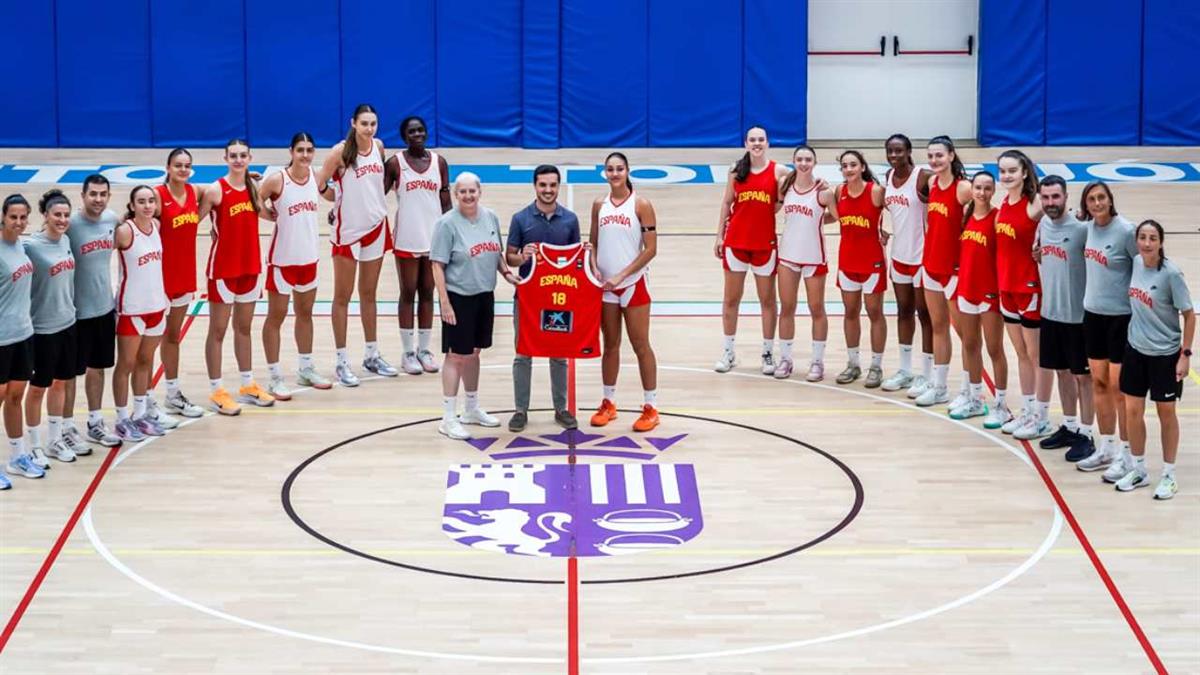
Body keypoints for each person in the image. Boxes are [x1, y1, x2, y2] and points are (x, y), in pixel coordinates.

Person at [317, 103, 398, 385]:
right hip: (348, 231)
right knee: (342, 296)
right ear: (353, 123)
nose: (369, 128)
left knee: (369, 294)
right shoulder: (339, 152)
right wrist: (337, 200)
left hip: (376, 226)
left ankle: (371, 354)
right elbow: (320, 184)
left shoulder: (379, 146)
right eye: (364, 123)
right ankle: (341, 361)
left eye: (373, 123)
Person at [431, 173, 515, 440]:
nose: (468, 196)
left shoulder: (490, 217)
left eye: (472, 191)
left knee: (474, 352)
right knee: (456, 355)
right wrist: (444, 302)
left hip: (484, 295)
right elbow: (437, 265)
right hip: (458, 297)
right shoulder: (446, 224)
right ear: (456, 194)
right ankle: (448, 417)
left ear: (480, 191)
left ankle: (471, 408)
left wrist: (507, 274)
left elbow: (496, 253)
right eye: (463, 192)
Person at [1116, 220, 1193, 499]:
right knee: (1132, 412)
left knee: (1166, 414)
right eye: (1142, 237)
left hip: (1165, 356)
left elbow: (1188, 314)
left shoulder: (1171, 274)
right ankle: (1138, 469)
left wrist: (1185, 355)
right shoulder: (1136, 262)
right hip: (1135, 351)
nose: (1147, 243)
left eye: (1152, 238)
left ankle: (1169, 475)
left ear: (1160, 242)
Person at [197, 139, 275, 415]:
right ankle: (217, 390)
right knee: (217, 331)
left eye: (243, 156)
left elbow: (267, 214)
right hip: (222, 270)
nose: (239, 160)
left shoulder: (254, 188)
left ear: (250, 157)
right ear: (225, 158)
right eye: (234, 156)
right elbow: (193, 219)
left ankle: (247, 384)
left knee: (244, 329)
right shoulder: (216, 190)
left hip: (250, 268)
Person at [589, 152, 660, 432]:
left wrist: (622, 275)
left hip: (633, 286)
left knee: (641, 345)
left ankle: (651, 407)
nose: (615, 173)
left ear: (627, 171)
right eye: (610, 169)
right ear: (604, 173)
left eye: (619, 169)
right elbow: (593, 241)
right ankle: (608, 402)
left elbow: (651, 249)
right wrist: (593, 267)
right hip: (605, 288)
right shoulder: (599, 204)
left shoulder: (641, 204)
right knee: (611, 346)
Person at [258, 132, 333, 399]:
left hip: (309, 258)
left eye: (309, 150)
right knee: (275, 318)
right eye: (300, 150)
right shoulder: (278, 179)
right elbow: (256, 199)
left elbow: (332, 196)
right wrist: (269, 215)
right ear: (291, 151)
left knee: (305, 314)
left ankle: (306, 368)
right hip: (282, 261)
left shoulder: (316, 176)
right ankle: (275, 376)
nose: (304, 154)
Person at [505, 165, 580, 431]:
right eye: (543, 185)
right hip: (526, 298)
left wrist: (588, 253)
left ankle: (561, 409)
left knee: (558, 353)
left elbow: (575, 261)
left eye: (552, 185)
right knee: (523, 354)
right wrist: (522, 256)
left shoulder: (570, 220)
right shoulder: (520, 219)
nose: (548, 190)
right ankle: (520, 410)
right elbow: (509, 257)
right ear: (534, 186)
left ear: (558, 187)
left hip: (558, 300)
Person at [1075, 181, 1140, 480]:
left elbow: (1143, 268)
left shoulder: (1126, 231)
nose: (1097, 203)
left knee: (1119, 389)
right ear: (1086, 204)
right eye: (1092, 199)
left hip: (1121, 319)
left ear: (1110, 200)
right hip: (1093, 316)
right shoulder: (1087, 229)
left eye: (1102, 198)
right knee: (1099, 383)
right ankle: (1107, 447)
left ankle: (1128, 455)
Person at [714, 126, 789, 374]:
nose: (757, 143)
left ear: (768, 143)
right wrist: (719, 237)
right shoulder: (736, 171)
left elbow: (795, 191)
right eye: (752, 140)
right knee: (731, 300)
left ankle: (767, 352)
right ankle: (728, 351)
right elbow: (727, 203)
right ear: (746, 143)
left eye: (761, 140)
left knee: (767, 301)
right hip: (736, 243)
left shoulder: (779, 172)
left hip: (764, 245)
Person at [1033, 176, 1095, 462]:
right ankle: (1069, 426)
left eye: (1055, 197)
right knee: (1062, 373)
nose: (1050, 204)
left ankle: (1087, 434)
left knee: (1084, 378)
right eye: (1045, 198)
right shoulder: (1042, 225)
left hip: (1078, 318)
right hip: (1051, 314)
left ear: (1066, 197)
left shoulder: (1083, 229)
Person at [387, 115, 450, 375]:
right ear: (404, 137)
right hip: (407, 237)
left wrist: (453, 234)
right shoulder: (395, 163)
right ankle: (407, 352)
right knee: (408, 292)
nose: (417, 135)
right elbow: (375, 197)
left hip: (434, 238)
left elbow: (446, 201)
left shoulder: (439, 162)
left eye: (421, 130)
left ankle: (424, 349)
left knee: (428, 293)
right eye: (412, 132)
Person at [994, 150, 1049, 440]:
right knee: (1021, 353)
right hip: (1006, 287)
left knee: (1036, 355)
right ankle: (1027, 410)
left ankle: (1041, 416)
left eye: (1012, 171)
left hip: (1029, 288)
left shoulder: (1035, 203)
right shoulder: (1004, 202)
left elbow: (1062, 217)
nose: (1006, 176)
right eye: (1002, 171)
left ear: (1025, 172)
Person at [23, 190, 79, 466]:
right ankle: (34, 445)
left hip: (68, 323)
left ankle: (54, 439)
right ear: (45, 215)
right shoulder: (31, 246)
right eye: (57, 214)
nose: (62, 219)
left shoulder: (67, 240)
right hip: (42, 329)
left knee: (60, 384)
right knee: (37, 389)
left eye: (66, 215)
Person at [949, 171, 1010, 427]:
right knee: (970, 344)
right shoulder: (964, 216)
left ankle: (1002, 404)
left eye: (987, 188)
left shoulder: (997, 219)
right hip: (966, 289)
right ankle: (975, 398)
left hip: (990, 292)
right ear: (971, 189)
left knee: (995, 348)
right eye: (978, 188)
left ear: (993, 191)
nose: (982, 193)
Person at [915, 136, 972, 407]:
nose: (935, 160)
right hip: (931, 266)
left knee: (966, 335)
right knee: (938, 327)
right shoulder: (931, 183)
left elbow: (982, 219)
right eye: (931, 156)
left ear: (951, 156)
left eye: (939, 155)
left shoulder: (963, 189)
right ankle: (940, 387)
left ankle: (969, 391)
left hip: (955, 270)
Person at [111, 185, 170, 440]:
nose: (147, 206)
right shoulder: (125, 232)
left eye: (150, 201)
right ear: (132, 205)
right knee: (126, 364)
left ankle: (141, 413)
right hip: (131, 309)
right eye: (141, 202)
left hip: (157, 306)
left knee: (145, 362)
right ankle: (122, 418)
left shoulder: (156, 226)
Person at [67, 175, 121, 448]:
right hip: (75, 312)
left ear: (109, 196)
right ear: (83, 196)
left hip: (104, 307)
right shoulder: (70, 225)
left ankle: (95, 422)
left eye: (103, 194)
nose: (98, 199)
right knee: (68, 374)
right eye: (93, 194)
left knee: (97, 368)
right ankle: (65, 428)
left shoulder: (112, 220)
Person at [825, 150, 887, 387]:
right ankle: (853, 364)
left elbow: (901, 212)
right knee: (850, 312)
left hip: (872, 262)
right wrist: (808, 218)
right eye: (845, 166)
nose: (849, 169)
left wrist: (886, 232)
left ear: (862, 167)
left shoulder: (876, 191)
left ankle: (876, 366)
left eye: (853, 165)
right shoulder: (839, 191)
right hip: (847, 262)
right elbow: (835, 217)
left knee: (874, 312)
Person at [154, 148, 207, 420]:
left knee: (173, 336)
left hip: (184, 275)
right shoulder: (156, 196)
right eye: (178, 165)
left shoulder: (195, 192)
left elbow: (220, 190)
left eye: (187, 166)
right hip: (157, 279)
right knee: (147, 345)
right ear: (168, 167)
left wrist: (245, 177)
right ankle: (145, 402)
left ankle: (172, 394)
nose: (183, 170)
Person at [880, 134, 933, 393]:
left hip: (922, 258)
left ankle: (927, 373)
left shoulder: (922, 177)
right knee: (903, 311)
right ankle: (904, 369)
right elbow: (883, 210)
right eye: (890, 151)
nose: (894, 155)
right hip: (898, 256)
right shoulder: (887, 178)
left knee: (925, 315)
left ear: (909, 151)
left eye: (899, 151)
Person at [775, 145, 830, 381]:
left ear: (814, 163)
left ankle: (817, 362)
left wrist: (817, 221)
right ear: (794, 161)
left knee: (816, 308)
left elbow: (837, 215)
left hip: (814, 256)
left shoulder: (824, 190)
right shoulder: (785, 186)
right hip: (788, 255)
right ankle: (785, 359)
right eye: (800, 159)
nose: (804, 163)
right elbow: (775, 208)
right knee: (787, 308)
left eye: (808, 159)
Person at [1, 195, 43, 484]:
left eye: (23, 217)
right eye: (13, 217)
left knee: (16, 397)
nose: (18, 222)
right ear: (3, 217)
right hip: (1, 339)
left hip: (24, 334)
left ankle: (17, 456)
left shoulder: (21, 246)